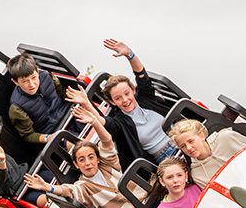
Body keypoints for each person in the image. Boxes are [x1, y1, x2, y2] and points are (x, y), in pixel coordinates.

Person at [23, 104, 136, 208]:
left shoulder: (108, 165)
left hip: (144, 201)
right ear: (76, 164)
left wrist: (94, 122)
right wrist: (48, 187)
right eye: (82, 160)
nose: (88, 163)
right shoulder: (83, 187)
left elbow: (107, 141)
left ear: (98, 159)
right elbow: (68, 191)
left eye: (91, 157)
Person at [75, 39, 178, 170]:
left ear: (133, 90)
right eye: (118, 98)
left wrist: (130, 54)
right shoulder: (121, 122)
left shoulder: (145, 98)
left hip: (180, 137)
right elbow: (102, 121)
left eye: (127, 93)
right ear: (113, 102)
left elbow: (141, 75)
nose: (125, 100)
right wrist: (86, 103)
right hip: (165, 157)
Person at [7, 53, 77, 148]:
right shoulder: (16, 108)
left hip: (70, 114)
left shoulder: (47, 75)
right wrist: (49, 137)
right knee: (77, 145)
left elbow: (63, 92)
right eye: (25, 81)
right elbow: (28, 135)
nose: (32, 84)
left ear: (37, 71)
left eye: (34, 77)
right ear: (16, 82)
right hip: (53, 132)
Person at [168, 119, 246, 187]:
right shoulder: (197, 174)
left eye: (191, 141)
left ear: (201, 135)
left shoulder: (226, 138)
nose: (189, 148)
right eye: (183, 146)